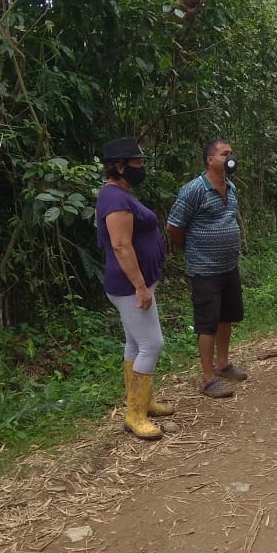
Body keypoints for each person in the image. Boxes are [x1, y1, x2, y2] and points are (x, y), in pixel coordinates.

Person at [95, 137, 174, 440]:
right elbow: (120, 245)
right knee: (152, 344)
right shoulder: (115, 199)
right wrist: (140, 286)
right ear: (119, 166)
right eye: (137, 162)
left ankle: (143, 402)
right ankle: (135, 415)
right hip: (129, 286)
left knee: (135, 344)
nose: (141, 167)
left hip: (133, 283)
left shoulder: (120, 194)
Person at [167, 138, 248, 398]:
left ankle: (222, 364)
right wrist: (194, 248)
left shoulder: (231, 186)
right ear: (210, 160)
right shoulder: (194, 189)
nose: (230, 158)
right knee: (207, 323)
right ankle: (207, 378)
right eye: (225, 154)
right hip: (205, 269)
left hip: (229, 266)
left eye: (231, 153)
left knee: (226, 316)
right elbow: (174, 226)